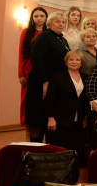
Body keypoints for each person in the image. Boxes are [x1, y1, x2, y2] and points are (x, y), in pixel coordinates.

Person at [26, 12, 70, 142]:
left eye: (63, 22)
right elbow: (37, 60)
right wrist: (44, 81)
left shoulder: (62, 39)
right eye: (58, 21)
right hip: (40, 83)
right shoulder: (44, 37)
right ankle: (36, 150)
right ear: (50, 23)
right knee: (38, 117)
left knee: (51, 117)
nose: (61, 24)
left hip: (54, 83)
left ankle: (50, 151)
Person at [45, 50, 87, 154]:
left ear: (81, 62)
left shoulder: (86, 77)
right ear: (66, 62)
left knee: (76, 150)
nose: (74, 62)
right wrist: (51, 118)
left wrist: (85, 117)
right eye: (71, 59)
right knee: (61, 149)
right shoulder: (58, 77)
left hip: (79, 120)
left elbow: (86, 99)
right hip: (60, 120)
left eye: (77, 59)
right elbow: (50, 99)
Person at [18, 6, 47, 126]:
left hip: (45, 71)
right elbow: (21, 53)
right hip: (29, 71)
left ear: (46, 18)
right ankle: (27, 128)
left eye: (42, 16)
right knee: (27, 101)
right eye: (36, 16)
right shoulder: (26, 32)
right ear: (32, 18)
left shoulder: (48, 33)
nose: (39, 19)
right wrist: (20, 74)